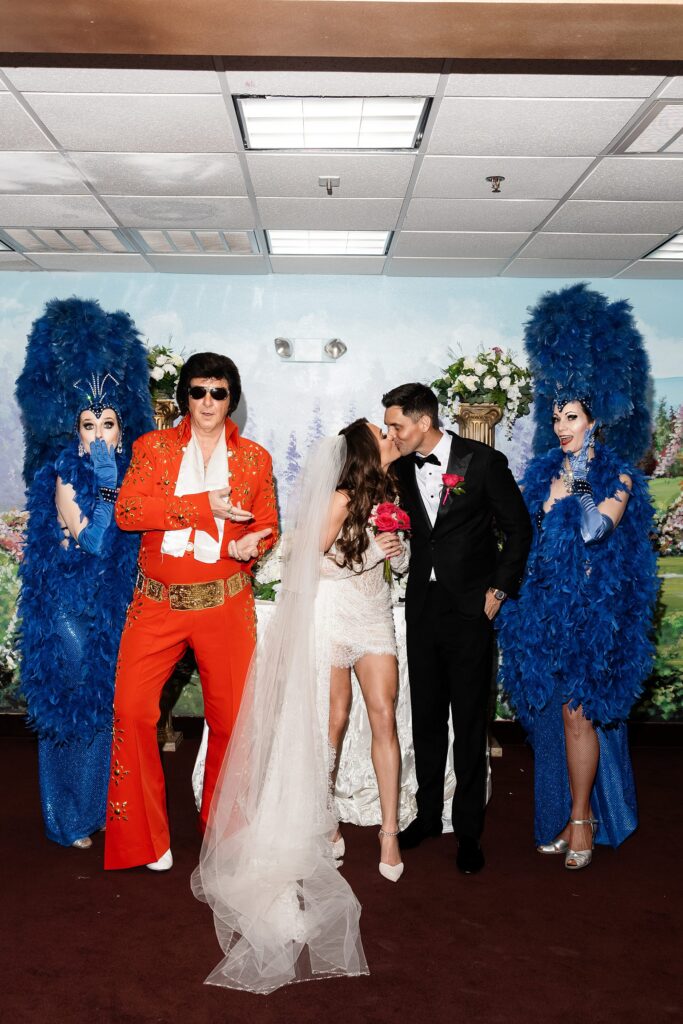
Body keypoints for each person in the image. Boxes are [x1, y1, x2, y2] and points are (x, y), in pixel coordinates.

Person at [192, 419, 409, 994]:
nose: (390, 437)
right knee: (331, 721)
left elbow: (400, 562)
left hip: (375, 613)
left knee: (383, 714)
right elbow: (307, 566)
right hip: (332, 613)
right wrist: (366, 560)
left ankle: (389, 831)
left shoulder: (392, 491)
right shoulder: (340, 498)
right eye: (381, 433)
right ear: (366, 450)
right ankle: (324, 820)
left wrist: (397, 550)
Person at [496, 283, 659, 870]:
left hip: (595, 616)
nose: (562, 426)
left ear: (596, 421)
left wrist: (577, 486)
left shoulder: (618, 478)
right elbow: (525, 542)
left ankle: (584, 818)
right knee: (550, 717)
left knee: (578, 714)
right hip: (546, 613)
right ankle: (564, 814)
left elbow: (596, 532)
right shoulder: (540, 475)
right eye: (557, 416)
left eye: (572, 416)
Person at [104, 352, 278, 872]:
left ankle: (225, 835)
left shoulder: (254, 459)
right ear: (184, 396)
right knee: (132, 712)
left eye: (218, 392)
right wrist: (204, 506)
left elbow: (266, 525)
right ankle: (144, 841)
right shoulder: (152, 449)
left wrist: (253, 546)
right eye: (198, 391)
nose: (207, 402)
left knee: (233, 722)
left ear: (232, 399)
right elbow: (128, 512)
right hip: (156, 604)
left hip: (225, 604)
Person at [16, 297, 154, 850]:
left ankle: (97, 810)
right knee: (80, 710)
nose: (99, 431)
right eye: (89, 422)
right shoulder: (67, 473)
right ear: (74, 429)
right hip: (72, 606)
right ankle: (69, 817)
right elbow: (94, 540)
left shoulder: (132, 472)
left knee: (109, 711)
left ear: (124, 428)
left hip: (115, 605)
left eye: (109, 422)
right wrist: (102, 481)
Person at [382, 383, 532, 874]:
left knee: (468, 723)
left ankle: (469, 832)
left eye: (397, 425)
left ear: (423, 422)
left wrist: (499, 589)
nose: (392, 433)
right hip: (422, 609)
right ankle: (427, 818)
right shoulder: (402, 468)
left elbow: (518, 529)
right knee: (425, 720)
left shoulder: (483, 462)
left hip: (471, 611)